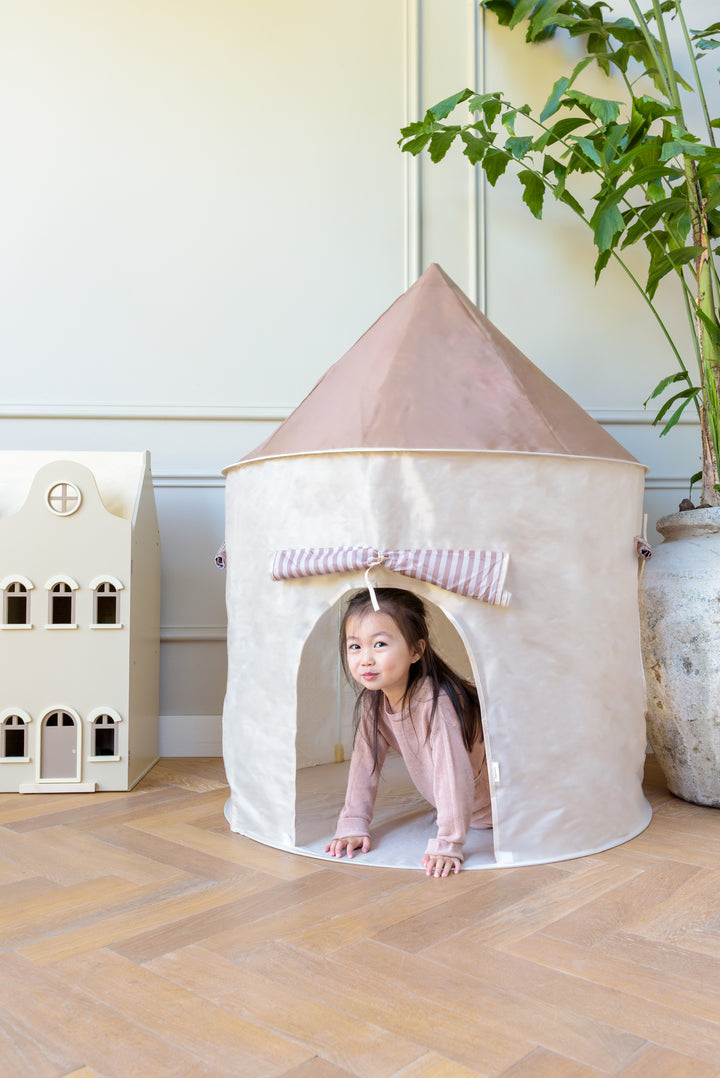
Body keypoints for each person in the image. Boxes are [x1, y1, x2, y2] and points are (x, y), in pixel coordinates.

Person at [325, 587, 492, 877]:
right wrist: (352, 822)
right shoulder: (372, 700)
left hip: (497, 808)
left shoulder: (434, 701)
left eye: (379, 645)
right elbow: (365, 765)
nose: (365, 659)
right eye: (355, 647)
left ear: (416, 650)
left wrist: (448, 842)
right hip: (473, 813)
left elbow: (452, 773)